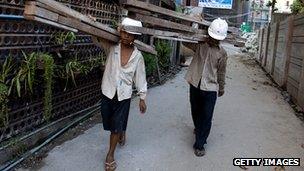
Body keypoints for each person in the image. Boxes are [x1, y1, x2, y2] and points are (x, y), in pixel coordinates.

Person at [93, 17, 147, 171]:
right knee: (108, 122)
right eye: (124, 33)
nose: (126, 36)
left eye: (130, 35)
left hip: (124, 95)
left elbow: (140, 78)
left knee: (115, 127)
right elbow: (96, 38)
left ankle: (110, 154)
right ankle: (122, 130)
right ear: (120, 32)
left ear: (135, 38)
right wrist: (93, 24)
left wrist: (142, 98)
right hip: (108, 91)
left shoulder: (138, 57)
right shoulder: (111, 47)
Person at [183, 18, 228, 157]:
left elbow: (221, 71)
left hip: (210, 88)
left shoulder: (222, 53)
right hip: (195, 83)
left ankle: (200, 144)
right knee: (195, 111)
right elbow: (184, 40)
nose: (214, 40)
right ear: (208, 35)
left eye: (217, 39)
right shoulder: (200, 45)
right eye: (213, 37)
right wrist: (191, 24)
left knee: (207, 116)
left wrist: (221, 87)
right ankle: (198, 128)